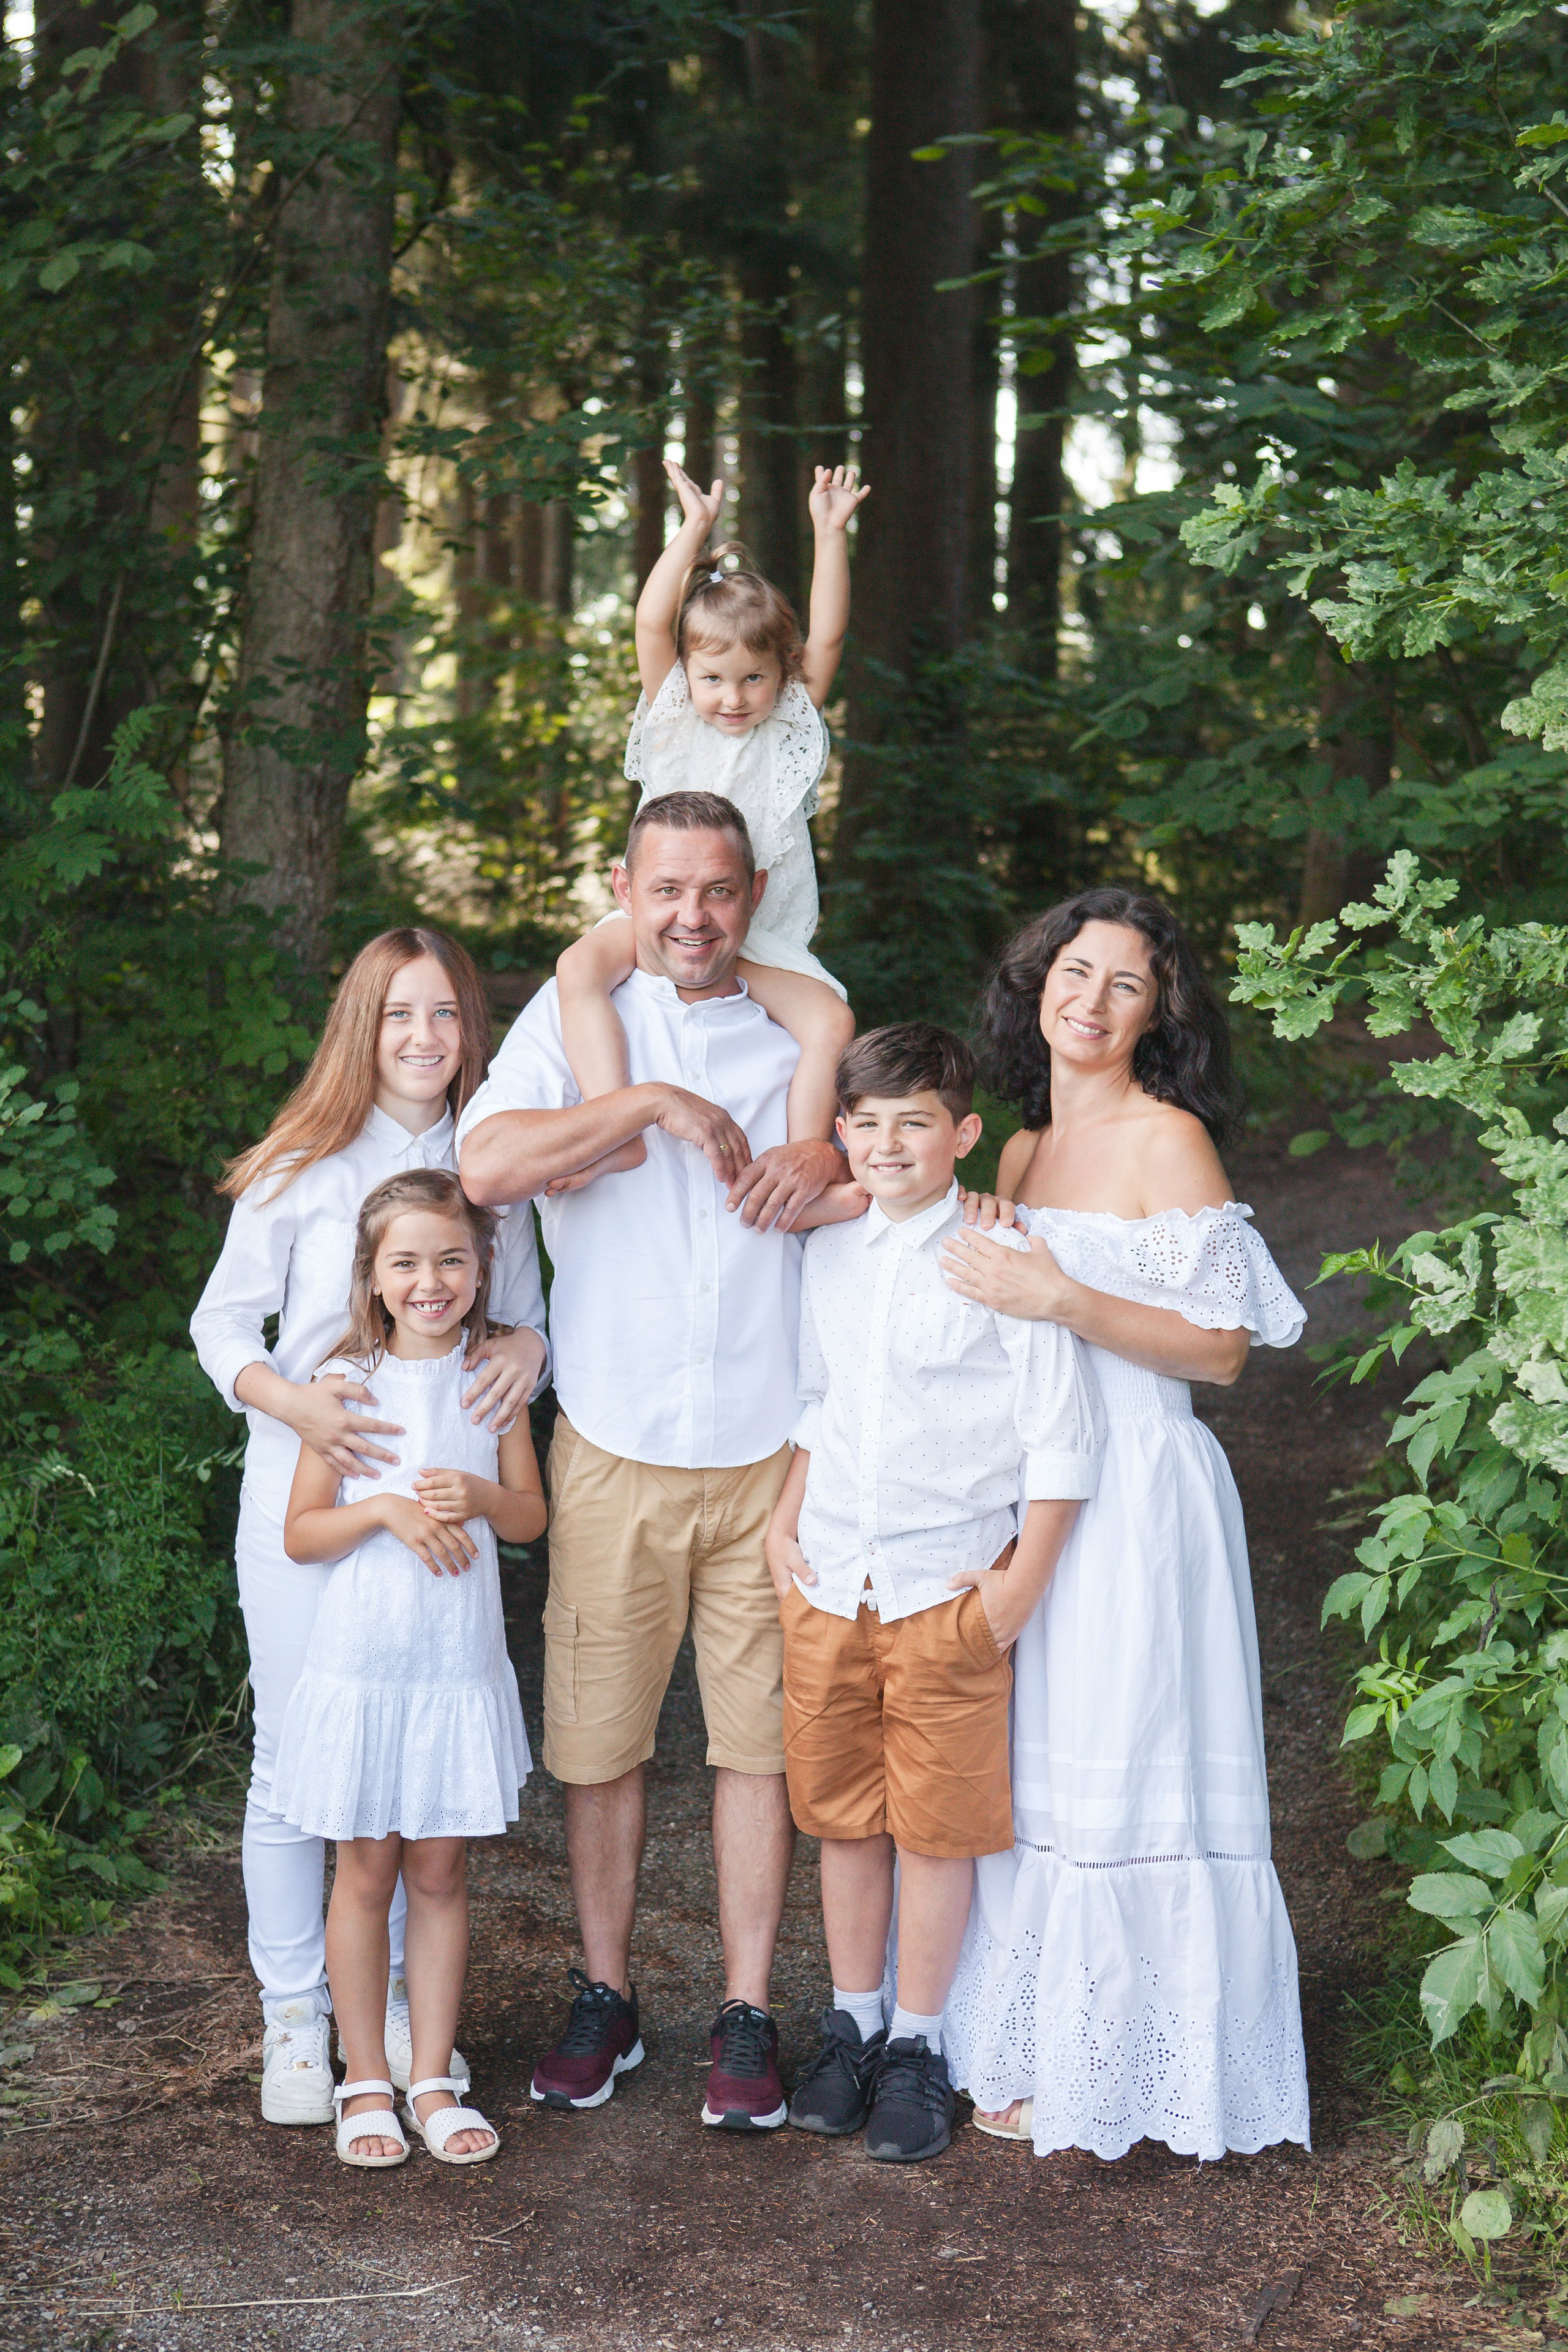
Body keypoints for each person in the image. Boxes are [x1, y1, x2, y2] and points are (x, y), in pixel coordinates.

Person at [459, 789, 862, 2132]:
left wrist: (820, 1149)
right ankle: (605, 1992)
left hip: (767, 1450)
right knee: (598, 1743)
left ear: (750, 897)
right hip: (615, 1443)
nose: (690, 916)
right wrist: (644, 1103)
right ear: (624, 887)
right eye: (666, 889)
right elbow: (485, 1162)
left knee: (759, 1750)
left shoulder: (799, 1028)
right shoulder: (577, 1021)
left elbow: (892, 1172)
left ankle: (745, 2011)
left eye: (717, 891)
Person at [936, 888, 1311, 2162]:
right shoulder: (1022, 1148)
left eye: (1125, 985)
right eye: (1072, 972)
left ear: (1159, 1016)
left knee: (1131, 1750)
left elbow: (1217, 1353)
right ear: (1034, 981)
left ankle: (1150, 2073)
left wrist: (1063, 1293)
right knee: (1041, 1758)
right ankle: (1046, 2050)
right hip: (1047, 1485)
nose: (1089, 1002)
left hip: (1143, 1486)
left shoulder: (1168, 1142)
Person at [190, 929, 549, 2128]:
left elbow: (520, 1324)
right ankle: (296, 2020)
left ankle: (392, 2012)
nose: (423, 1038)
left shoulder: (489, 1163)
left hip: (437, 1537)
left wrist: (535, 1348)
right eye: (399, 1015)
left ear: (469, 1032)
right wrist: (292, 1402)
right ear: (363, 1025)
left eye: (445, 1014)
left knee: (405, 1765)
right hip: (313, 1508)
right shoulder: (304, 1158)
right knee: (304, 1769)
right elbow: (221, 1327)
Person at [766, 1023, 1104, 2163]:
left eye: (914, 1121)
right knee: (845, 1818)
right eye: (864, 1124)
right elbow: (819, 1402)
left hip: (943, 1587)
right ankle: (852, 2022)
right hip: (828, 1581)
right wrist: (781, 1517)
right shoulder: (831, 1250)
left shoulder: (999, 1252)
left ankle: (920, 2044)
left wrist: (1017, 1587)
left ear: (965, 1134)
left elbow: (1061, 1435)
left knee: (938, 1826)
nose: (886, 1143)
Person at [275, 1169, 546, 2168]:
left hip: (452, 1668)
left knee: (439, 1870)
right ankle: (365, 2081)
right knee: (364, 1871)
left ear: (480, 1269)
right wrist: (385, 1509)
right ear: (376, 1276)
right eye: (407, 1263)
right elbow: (303, 1532)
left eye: (451, 1259)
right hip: (363, 1665)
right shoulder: (346, 1385)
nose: (430, 1280)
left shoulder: (495, 1382)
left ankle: (431, 2074)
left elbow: (530, 1517)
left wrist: (478, 1492)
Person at [552, 458, 865, 1183]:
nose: (732, 697)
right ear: (686, 676)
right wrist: (693, 529)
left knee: (830, 1024)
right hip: (661, 923)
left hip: (759, 937)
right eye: (713, 679)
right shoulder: (672, 719)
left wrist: (829, 533)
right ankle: (613, 1122)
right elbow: (649, 619)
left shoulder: (786, 727)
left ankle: (799, 1158)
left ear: (780, 677)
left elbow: (827, 640)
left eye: (754, 678)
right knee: (577, 968)